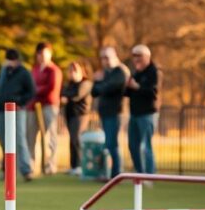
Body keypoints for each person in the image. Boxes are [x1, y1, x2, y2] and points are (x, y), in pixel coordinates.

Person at [0, 48, 35, 179]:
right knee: (3, 141)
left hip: (17, 110)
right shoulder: (3, 72)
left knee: (19, 139)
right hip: (1, 109)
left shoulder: (24, 73)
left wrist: (20, 102)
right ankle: (7, 170)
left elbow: (31, 91)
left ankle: (26, 170)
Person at [91, 46, 130, 177]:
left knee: (112, 144)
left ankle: (116, 174)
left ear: (114, 56)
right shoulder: (106, 73)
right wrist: (99, 82)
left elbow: (111, 87)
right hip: (105, 112)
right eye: (102, 58)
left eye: (107, 57)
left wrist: (100, 83)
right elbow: (94, 91)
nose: (105, 61)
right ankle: (109, 172)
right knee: (109, 143)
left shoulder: (120, 71)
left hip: (116, 112)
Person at [124, 44, 162, 176]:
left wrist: (137, 87)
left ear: (147, 56)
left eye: (139, 55)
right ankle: (139, 173)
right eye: (134, 56)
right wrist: (127, 86)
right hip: (134, 113)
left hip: (147, 114)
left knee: (145, 146)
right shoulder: (136, 72)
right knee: (133, 145)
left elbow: (153, 92)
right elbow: (127, 93)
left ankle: (149, 175)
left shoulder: (154, 72)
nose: (136, 59)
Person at [26, 42, 62, 176]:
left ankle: (50, 165)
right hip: (33, 106)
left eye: (45, 53)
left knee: (50, 136)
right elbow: (31, 85)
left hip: (48, 105)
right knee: (31, 136)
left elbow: (51, 87)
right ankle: (32, 165)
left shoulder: (54, 70)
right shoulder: (34, 69)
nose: (42, 56)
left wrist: (36, 90)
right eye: (40, 54)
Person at [61, 61, 92, 176]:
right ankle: (73, 165)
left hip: (80, 115)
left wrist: (67, 97)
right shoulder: (70, 84)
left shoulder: (86, 83)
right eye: (70, 71)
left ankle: (79, 165)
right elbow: (63, 92)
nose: (72, 73)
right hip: (70, 114)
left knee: (77, 140)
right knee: (72, 140)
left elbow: (76, 95)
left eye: (75, 70)